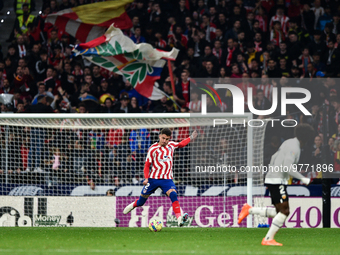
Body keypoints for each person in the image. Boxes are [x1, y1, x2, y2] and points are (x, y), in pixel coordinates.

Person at [238, 124, 315, 246]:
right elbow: (287, 167)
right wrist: (303, 179)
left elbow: (274, 157)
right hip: (277, 180)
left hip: (274, 178)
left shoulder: (289, 142)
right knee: (285, 211)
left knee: (278, 211)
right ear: (306, 138)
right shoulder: (294, 147)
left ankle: (250, 209)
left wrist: (271, 172)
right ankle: (268, 238)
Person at [123, 128, 198, 227]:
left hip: (167, 180)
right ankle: (133, 205)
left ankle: (179, 219)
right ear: (159, 136)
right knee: (141, 202)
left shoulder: (171, 145)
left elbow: (181, 144)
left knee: (173, 195)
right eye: (163, 138)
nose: (165, 141)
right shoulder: (152, 148)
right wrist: (146, 178)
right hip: (153, 179)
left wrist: (191, 137)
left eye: (167, 139)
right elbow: (147, 165)